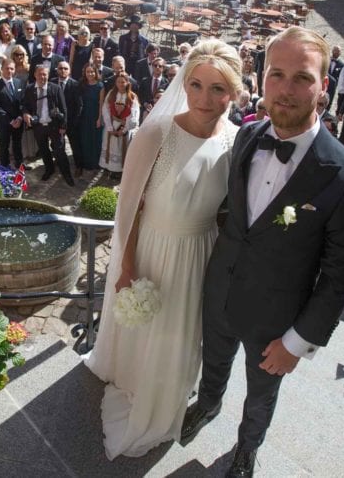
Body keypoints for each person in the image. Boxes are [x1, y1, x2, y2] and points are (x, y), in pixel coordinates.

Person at [182, 28, 344, 477]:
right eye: (277, 74)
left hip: (276, 320)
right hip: (221, 290)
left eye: (302, 78)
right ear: (262, 78)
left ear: (324, 86)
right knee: (214, 362)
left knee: (261, 394)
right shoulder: (247, 136)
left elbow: (341, 276)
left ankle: (247, 448)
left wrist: (298, 341)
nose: (286, 89)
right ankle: (207, 404)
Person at [86, 40, 243, 460]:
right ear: (183, 83)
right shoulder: (157, 133)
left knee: (181, 333)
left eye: (217, 88)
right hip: (153, 247)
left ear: (234, 92)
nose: (204, 99)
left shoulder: (237, 141)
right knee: (147, 328)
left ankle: (167, 390)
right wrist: (126, 266)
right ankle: (137, 379)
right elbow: (130, 207)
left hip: (201, 254)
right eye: (195, 85)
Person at [22, 65, 75, 185]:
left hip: (54, 126)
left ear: (48, 75)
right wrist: (25, 113)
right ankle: (49, 169)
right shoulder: (30, 89)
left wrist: (63, 126)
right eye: (40, 74)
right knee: (44, 150)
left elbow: (64, 109)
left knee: (60, 151)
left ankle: (66, 174)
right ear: (35, 75)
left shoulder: (55, 88)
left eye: (45, 74)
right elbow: (25, 105)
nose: (42, 77)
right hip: (38, 126)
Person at [99, 72, 139, 178]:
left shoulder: (132, 96)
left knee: (122, 148)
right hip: (112, 125)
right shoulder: (111, 94)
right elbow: (105, 109)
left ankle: (120, 171)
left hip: (124, 126)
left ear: (127, 82)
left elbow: (134, 114)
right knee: (110, 146)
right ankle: (109, 167)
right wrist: (109, 127)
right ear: (115, 83)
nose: (121, 84)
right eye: (118, 82)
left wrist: (124, 129)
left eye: (123, 82)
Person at [0, 58, 25, 168]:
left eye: (12, 68)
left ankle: (19, 164)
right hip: (4, 122)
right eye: (7, 68)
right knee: (4, 145)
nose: (9, 71)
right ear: (2, 69)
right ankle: (5, 166)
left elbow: (23, 102)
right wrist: (10, 121)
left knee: (17, 143)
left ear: (14, 70)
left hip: (18, 121)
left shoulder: (19, 83)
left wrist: (19, 118)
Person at [77, 64, 104, 171]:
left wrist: (99, 118)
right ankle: (86, 162)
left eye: (92, 72)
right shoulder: (82, 84)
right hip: (84, 115)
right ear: (85, 73)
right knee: (85, 138)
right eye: (88, 72)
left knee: (95, 139)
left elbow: (101, 104)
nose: (90, 74)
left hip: (95, 114)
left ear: (96, 73)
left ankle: (95, 162)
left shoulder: (100, 86)